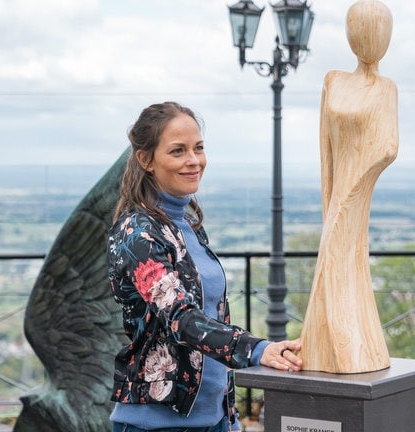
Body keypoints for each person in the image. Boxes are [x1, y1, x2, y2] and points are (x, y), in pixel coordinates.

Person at [107, 101, 302, 432]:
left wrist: (229, 416)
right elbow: (181, 319)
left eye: (198, 148)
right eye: (178, 151)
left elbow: (211, 318)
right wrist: (255, 349)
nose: (193, 160)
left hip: (214, 420)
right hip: (155, 425)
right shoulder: (136, 233)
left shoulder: (188, 227)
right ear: (146, 159)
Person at [299, 0, 396, 374]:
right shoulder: (333, 80)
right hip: (337, 188)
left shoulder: (386, 88)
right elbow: (324, 144)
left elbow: (389, 146)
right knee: (335, 261)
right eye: (364, 30)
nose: (373, 40)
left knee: (343, 260)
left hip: (358, 187)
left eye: (380, 31)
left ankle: (352, 348)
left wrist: (352, 190)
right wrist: (332, 198)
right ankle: (331, 347)